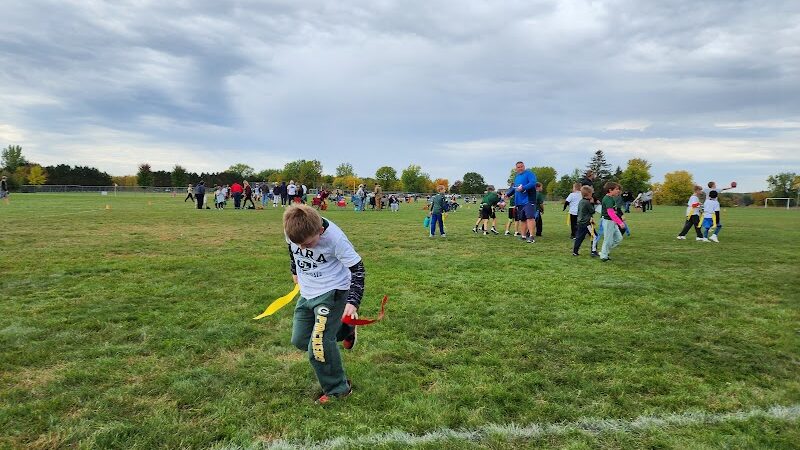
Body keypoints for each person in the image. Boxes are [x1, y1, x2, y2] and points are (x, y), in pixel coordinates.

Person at [283, 204, 364, 404]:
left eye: (308, 244)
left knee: (318, 346)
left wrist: (353, 301)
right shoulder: (293, 230)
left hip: (333, 291)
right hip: (308, 291)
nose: (302, 248)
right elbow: (292, 250)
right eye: (299, 244)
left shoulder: (336, 240)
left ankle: (338, 389)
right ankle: (346, 328)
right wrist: (295, 270)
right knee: (301, 340)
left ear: (319, 231)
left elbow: (358, 269)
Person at [505, 161, 538, 243]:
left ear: (524, 166)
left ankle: (531, 236)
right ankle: (523, 236)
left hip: (529, 200)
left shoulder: (529, 174)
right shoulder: (517, 177)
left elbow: (533, 183)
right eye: (518, 167)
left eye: (521, 166)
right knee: (522, 219)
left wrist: (523, 188)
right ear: (516, 168)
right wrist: (507, 194)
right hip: (519, 202)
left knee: (530, 218)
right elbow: (514, 188)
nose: (520, 168)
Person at [599, 182, 626, 261]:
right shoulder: (607, 199)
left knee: (619, 238)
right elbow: (610, 213)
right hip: (608, 221)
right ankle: (604, 256)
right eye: (616, 189)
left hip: (612, 221)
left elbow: (615, 212)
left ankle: (604, 251)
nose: (618, 191)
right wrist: (620, 222)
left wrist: (619, 217)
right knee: (608, 239)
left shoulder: (611, 198)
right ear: (610, 190)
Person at [572, 185, 596, 256]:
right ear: (588, 194)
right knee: (595, 236)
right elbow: (592, 211)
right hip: (587, 223)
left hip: (580, 222)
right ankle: (593, 251)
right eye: (591, 194)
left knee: (579, 237)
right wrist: (592, 203)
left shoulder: (581, 201)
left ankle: (575, 251)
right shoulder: (587, 202)